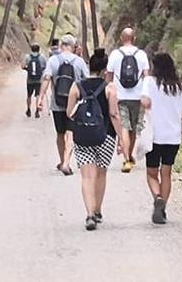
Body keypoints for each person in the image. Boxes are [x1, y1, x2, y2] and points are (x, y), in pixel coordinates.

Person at [65, 48, 121, 230]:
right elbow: (114, 114)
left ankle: (89, 214)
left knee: (87, 177)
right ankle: (97, 210)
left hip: (82, 137)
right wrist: (122, 139)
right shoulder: (110, 88)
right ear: (105, 70)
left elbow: (69, 113)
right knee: (101, 173)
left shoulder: (76, 86)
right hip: (105, 137)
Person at [140, 52, 182, 225]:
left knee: (151, 173)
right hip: (173, 137)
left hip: (155, 136)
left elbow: (145, 101)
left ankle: (158, 198)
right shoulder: (178, 86)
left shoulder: (149, 82)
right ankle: (162, 208)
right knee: (166, 173)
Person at [105, 26, 151, 173]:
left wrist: (108, 92)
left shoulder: (115, 54)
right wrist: (147, 94)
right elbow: (146, 76)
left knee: (124, 126)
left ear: (121, 38)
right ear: (134, 38)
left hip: (120, 96)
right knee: (133, 128)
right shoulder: (142, 54)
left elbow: (109, 76)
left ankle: (126, 159)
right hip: (137, 96)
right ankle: (129, 155)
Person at [43, 35, 87, 175]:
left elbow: (47, 78)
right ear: (74, 47)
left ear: (61, 45)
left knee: (60, 133)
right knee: (71, 133)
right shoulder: (79, 62)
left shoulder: (53, 60)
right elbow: (86, 82)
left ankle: (62, 161)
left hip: (57, 103)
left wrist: (40, 98)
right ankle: (67, 162)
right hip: (74, 104)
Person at [21, 43, 48, 117]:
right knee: (38, 95)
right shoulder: (42, 57)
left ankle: (28, 109)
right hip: (39, 80)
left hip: (30, 80)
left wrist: (27, 69)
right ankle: (37, 111)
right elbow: (46, 66)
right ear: (39, 49)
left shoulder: (27, 57)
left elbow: (22, 66)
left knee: (29, 95)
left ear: (31, 49)